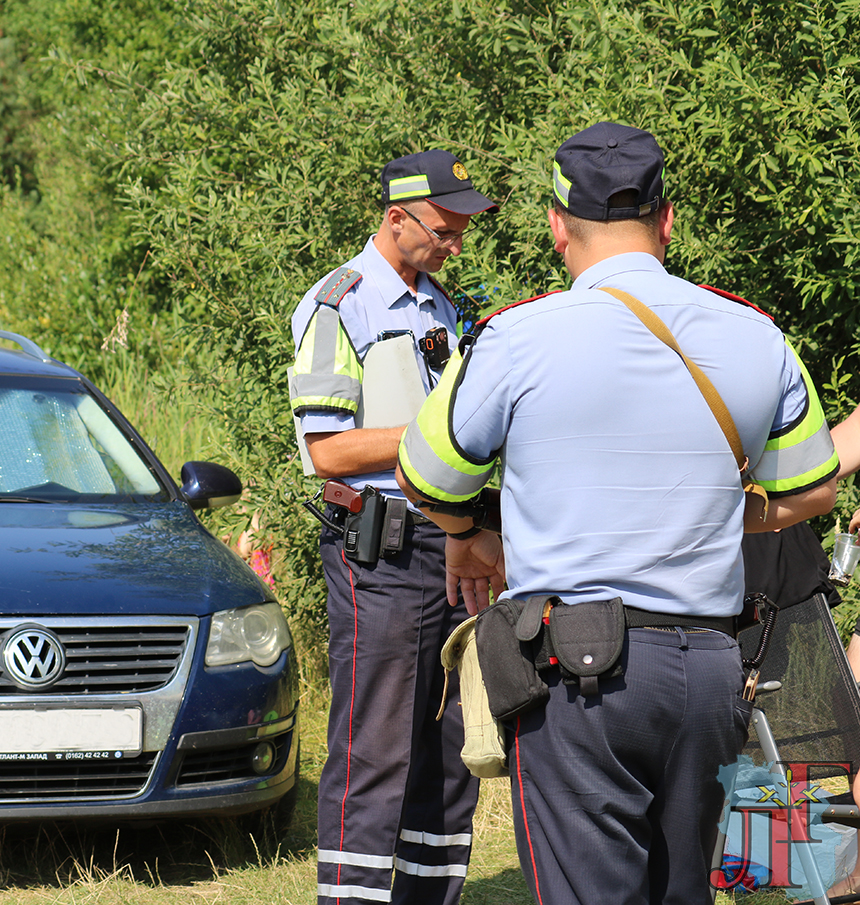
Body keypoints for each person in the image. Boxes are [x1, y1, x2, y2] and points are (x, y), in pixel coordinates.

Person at [396, 122, 838, 904]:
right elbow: (812, 489)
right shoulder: (755, 333)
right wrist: (705, 514)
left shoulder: (516, 336)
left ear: (558, 226)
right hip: (710, 668)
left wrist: (470, 536)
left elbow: (426, 475)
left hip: (578, 674)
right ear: (667, 222)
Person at [288, 149, 497, 905]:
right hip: (380, 551)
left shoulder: (442, 302)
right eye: (445, 229)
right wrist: (435, 435)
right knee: (373, 747)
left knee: (451, 749)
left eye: (461, 231)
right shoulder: (337, 305)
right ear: (397, 217)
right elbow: (327, 449)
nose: (455, 244)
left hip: (453, 543)